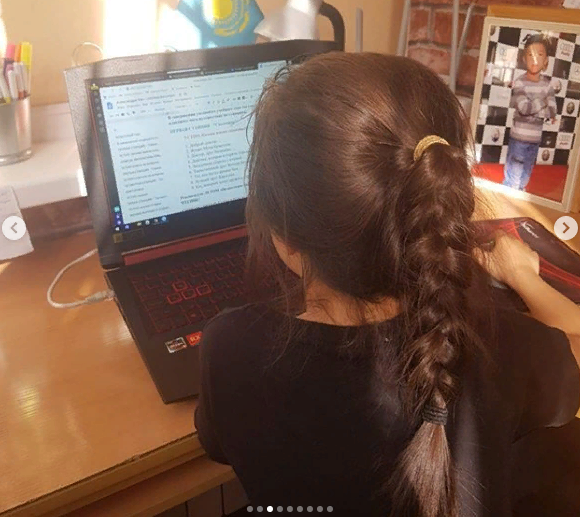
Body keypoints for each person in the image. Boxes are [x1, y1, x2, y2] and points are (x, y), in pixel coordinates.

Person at [194, 53, 580, 516]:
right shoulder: (498, 346)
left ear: (285, 237)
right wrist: (521, 276)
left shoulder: (228, 348)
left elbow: (216, 445)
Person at [503, 34, 557, 191]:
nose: (535, 59)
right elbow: (523, 108)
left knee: (527, 171)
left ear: (546, 61)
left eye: (539, 55)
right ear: (524, 58)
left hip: (535, 139)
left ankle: (520, 192)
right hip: (519, 138)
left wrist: (536, 109)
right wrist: (542, 102)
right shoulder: (519, 83)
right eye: (530, 55)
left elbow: (552, 110)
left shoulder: (547, 85)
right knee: (514, 174)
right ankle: (509, 193)